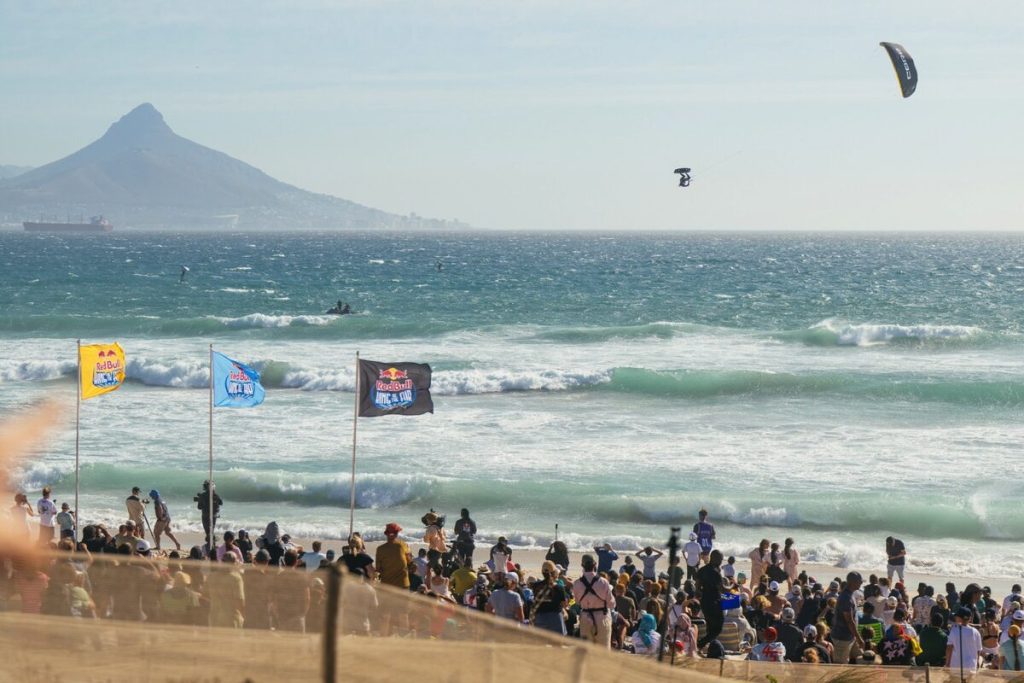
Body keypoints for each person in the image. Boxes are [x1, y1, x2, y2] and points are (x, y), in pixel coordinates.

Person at [573, 554, 614, 648]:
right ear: (595, 564)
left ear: (582, 565)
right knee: (603, 652)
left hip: (585, 617)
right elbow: (611, 604)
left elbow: (577, 602)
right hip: (602, 617)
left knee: (586, 652)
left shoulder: (577, 583)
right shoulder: (604, 582)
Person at [831, 571, 864, 665]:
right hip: (842, 638)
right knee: (840, 665)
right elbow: (849, 621)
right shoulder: (846, 598)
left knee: (861, 658)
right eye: (859, 581)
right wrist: (859, 638)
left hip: (850, 636)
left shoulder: (850, 594)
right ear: (852, 582)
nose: (861, 583)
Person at [696, 549, 725, 649]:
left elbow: (697, 588)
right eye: (721, 559)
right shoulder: (716, 573)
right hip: (715, 603)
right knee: (718, 627)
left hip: (704, 602)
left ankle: (709, 648)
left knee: (710, 625)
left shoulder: (702, 570)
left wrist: (705, 594)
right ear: (716, 559)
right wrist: (733, 585)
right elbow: (724, 589)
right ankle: (701, 643)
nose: (721, 561)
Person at [530, 561, 568, 635]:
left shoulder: (535, 586)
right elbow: (564, 605)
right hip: (555, 617)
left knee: (541, 643)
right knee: (558, 643)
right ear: (554, 573)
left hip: (540, 617)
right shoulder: (559, 587)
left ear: (542, 573)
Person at [946, 606, 983, 675]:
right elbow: (978, 650)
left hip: (956, 667)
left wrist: (947, 664)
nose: (955, 617)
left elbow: (949, 648)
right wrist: (977, 663)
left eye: (956, 616)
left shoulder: (954, 631)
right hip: (971, 667)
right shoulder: (976, 632)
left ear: (959, 618)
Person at [375, 522, 411, 590]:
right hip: (403, 584)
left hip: (387, 585)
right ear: (397, 533)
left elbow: (378, 569)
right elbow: (409, 561)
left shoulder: (380, 549)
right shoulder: (402, 545)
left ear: (386, 534)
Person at [195, 481, 222, 550]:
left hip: (205, 516)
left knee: (208, 532)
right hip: (213, 516)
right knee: (211, 531)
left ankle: (210, 546)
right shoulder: (215, 495)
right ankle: (212, 545)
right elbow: (221, 503)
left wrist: (200, 500)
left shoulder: (203, 495)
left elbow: (199, 507)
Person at [421, 511, 447, 576]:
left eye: (427, 519)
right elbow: (445, 538)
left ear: (429, 520)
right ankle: (439, 579)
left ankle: (432, 581)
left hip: (434, 550)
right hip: (441, 550)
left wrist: (424, 537)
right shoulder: (441, 528)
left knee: (429, 567)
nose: (427, 521)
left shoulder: (430, 529)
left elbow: (426, 540)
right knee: (436, 567)